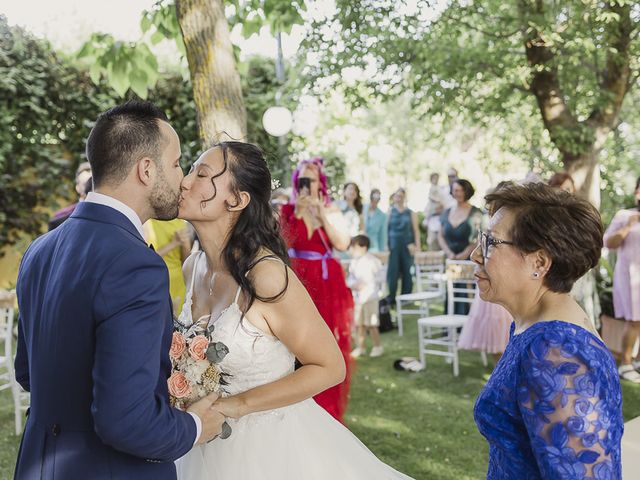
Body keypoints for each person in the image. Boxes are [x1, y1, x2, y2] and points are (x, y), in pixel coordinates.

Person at [174, 142, 413, 479]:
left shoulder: (266, 276)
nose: (185, 181)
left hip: (272, 450)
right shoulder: (193, 267)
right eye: (188, 171)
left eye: (201, 174)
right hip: (202, 447)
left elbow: (330, 367)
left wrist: (233, 406)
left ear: (237, 199)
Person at [13, 101, 225, 479]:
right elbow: (126, 421)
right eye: (176, 164)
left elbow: (29, 373)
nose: (182, 179)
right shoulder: (136, 264)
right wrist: (195, 427)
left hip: (39, 463)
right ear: (146, 169)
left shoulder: (39, 249)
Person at [471, 182, 622, 479]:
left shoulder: (556, 351)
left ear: (539, 262)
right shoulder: (531, 328)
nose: (476, 254)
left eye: (491, 242)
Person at [279, 157, 354, 422]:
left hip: (326, 281)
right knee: (296, 337)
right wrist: (296, 213)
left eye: (312, 179)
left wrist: (321, 216)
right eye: (303, 179)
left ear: (319, 182)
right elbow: (281, 244)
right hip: (298, 279)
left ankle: (326, 402)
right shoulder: (287, 210)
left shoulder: (330, 210)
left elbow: (343, 244)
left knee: (327, 338)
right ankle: (295, 399)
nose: (307, 185)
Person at [604, 176, 640, 383]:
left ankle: (637, 361)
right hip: (630, 276)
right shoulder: (625, 215)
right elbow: (609, 243)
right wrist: (627, 226)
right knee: (634, 320)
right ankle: (625, 363)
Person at [144, 219, 193, 315]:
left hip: (177, 283)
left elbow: (186, 260)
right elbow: (147, 258)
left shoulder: (180, 222)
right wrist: (173, 243)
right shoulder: (148, 223)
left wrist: (185, 245)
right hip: (156, 281)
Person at [348, 235, 385, 358]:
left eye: (355, 247)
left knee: (371, 323)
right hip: (358, 298)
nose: (352, 250)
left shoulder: (373, 261)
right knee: (360, 324)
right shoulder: (353, 262)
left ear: (363, 247)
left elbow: (380, 278)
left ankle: (377, 346)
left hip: (370, 297)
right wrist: (354, 285)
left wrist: (368, 284)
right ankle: (361, 347)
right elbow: (351, 278)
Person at [386, 188, 420, 304]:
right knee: (393, 272)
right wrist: (386, 246)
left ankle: (406, 298)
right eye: (397, 195)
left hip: (407, 245)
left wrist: (417, 246)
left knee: (408, 271)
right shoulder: (390, 211)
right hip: (394, 246)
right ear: (394, 197)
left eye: (401, 196)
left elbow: (416, 230)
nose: (399, 198)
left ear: (404, 197)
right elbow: (386, 229)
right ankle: (391, 297)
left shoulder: (410, 212)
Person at [47, 161, 92, 230]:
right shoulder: (60, 218)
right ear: (77, 188)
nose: (90, 187)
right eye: (85, 184)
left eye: (93, 183)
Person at [423, 173, 445, 251]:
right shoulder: (432, 188)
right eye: (434, 178)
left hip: (439, 216)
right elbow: (431, 197)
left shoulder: (439, 188)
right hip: (432, 215)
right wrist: (438, 201)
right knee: (432, 240)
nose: (436, 180)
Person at [364, 188, 387, 253]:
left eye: (378, 197)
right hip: (360, 245)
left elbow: (382, 235)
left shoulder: (382, 215)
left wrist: (381, 251)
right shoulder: (362, 208)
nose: (375, 200)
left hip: (373, 247)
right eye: (374, 196)